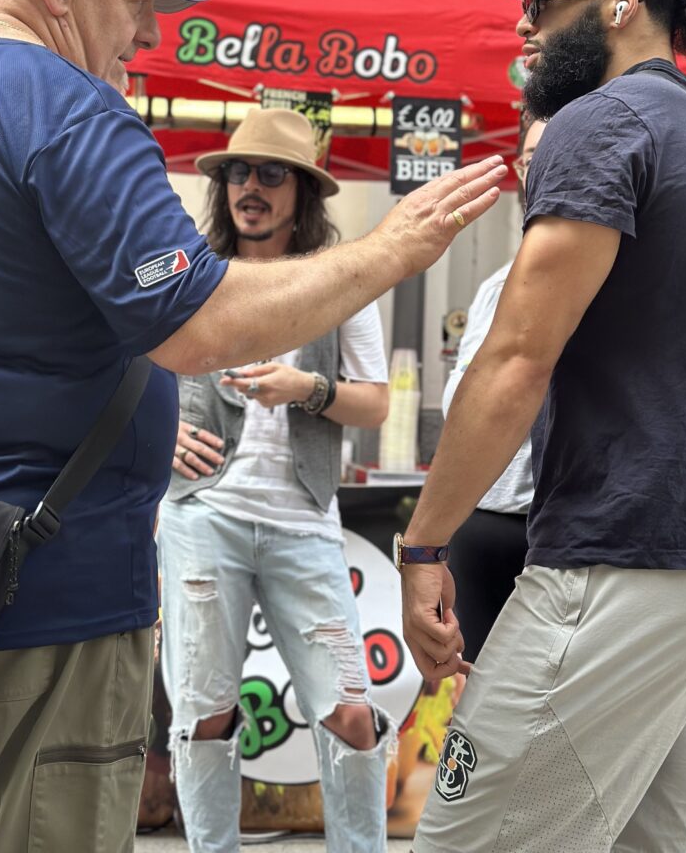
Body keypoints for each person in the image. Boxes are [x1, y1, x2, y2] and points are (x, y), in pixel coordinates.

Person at [0, 0, 505, 853]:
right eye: (137, 2)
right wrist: (391, 249)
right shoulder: (67, 110)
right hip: (44, 595)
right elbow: (197, 323)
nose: (147, 34)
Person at [398, 0, 686, 853]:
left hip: (625, 560)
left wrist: (423, 545)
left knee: (462, 839)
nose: (523, 21)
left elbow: (515, 359)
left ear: (621, 0)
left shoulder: (599, 123)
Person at [158, 108, 391, 853]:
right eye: (237, 172)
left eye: (269, 174)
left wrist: (306, 389)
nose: (248, 188)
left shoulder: (339, 280)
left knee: (351, 713)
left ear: (303, 192)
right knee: (205, 714)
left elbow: (376, 404)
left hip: (304, 522)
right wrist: (159, 432)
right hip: (204, 516)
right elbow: (124, 361)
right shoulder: (191, 272)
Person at [440, 114, 545, 662]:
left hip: (559, 534)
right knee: (474, 689)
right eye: (531, 160)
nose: (543, 171)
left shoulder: (608, 282)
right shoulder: (494, 287)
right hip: (481, 521)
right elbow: (462, 410)